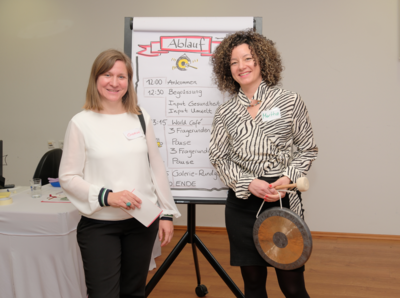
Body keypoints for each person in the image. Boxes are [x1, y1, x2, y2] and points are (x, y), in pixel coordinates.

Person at [59, 49, 180, 298]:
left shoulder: (140, 117)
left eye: (121, 76)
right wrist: (107, 196)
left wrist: (166, 212)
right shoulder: (80, 123)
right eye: (107, 75)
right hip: (100, 226)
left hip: (141, 222)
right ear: (95, 79)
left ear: (129, 81)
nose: (114, 83)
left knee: (134, 291)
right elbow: (68, 177)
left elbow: (155, 165)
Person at [209, 29, 318, 298]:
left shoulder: (290, 101)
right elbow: (218, 156)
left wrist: (286, 178)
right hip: (242, 202)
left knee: (292, 285)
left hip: (281, 199)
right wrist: (248, 183)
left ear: (263, 61)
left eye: (248, 58)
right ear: (227, 69)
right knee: (253, 285)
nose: (241, 66)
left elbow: (307, 149)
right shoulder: (225, 111)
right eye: (233, 62)